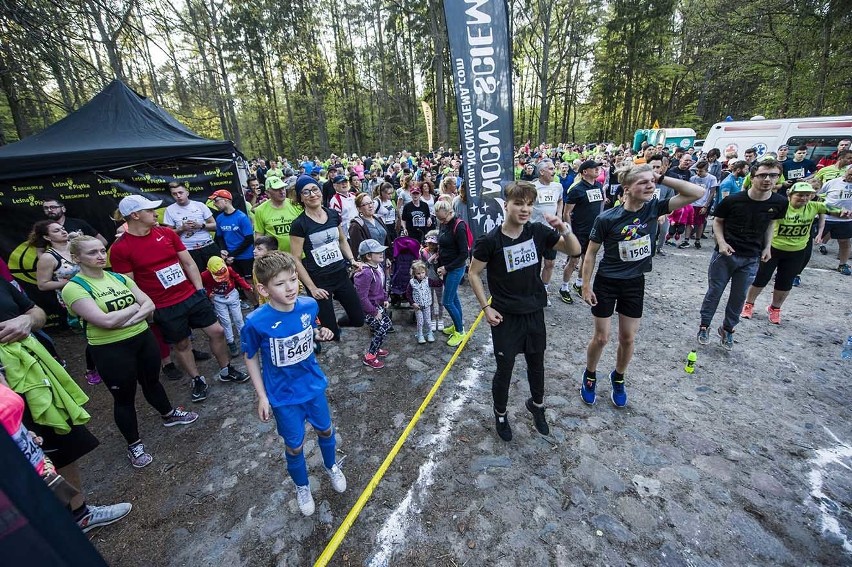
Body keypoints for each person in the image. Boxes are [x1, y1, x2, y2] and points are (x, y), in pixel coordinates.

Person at [0, 278, 132, 532]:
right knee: (16, 466)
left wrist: (26, 320)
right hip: (6, 394)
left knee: (61, 442)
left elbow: (36, 312)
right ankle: (48, 530)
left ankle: (80, 513)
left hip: (36, 376)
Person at [62, 236, 199, 468]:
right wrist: (135, 310)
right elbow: (104, 321)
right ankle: (134, 443)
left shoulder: (117, 277)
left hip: (142, 339)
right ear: (76, 258)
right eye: (92, 253)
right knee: (123, 398)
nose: (100, 256)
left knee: (152, 381)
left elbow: (149, 304)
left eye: (102, 250)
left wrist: (126, 316)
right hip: (110, 349)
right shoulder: (74, 288)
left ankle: (168, 414)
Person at [580, 165, 703, 407]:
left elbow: (697, 192)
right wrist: (585, 285)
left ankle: (618, 377)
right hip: (607, 281)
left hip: (634, 282)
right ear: (627, 189)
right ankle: (590, 375)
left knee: (627, 338)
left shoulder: (654, 208)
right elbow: (591, 253)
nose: (650, 186)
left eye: (652, 182)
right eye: (643, 183)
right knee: (602, 338)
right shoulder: (606, 218)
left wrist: (661, 177)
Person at [468, 181, 582, 441]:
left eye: (529, 204)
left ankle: (537, 406)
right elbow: (474, 273)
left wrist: (564, 229)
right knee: (505, 367)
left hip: (534, 312)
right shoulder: (490, 240)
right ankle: (500, 413)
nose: (525, 209)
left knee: (536, 363)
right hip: (505, 316)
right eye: (518, 203)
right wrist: (486, 307)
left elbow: (574, 250)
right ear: (505, 205)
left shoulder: (538, 232)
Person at [109, 195, 249, 404]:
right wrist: (148, 308)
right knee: (182, 344)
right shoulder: (121, 248)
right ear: (135, 215)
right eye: (150, 211)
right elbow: (129, 285)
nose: (156, 213)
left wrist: (200, 289)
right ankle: (197, 379)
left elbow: (189, 263)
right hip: (163, 304)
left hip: (190, 294)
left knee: (217, 331)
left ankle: (226, 369)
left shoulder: (166, 233)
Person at [242, 251, 346, 517]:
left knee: (325, 430)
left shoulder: (309, 305)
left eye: (293, 279)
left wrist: (320, 333)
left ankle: (331, 465)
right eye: (280, 283)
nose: (290, 288)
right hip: (283, 396)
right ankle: (302, 486)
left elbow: (310, 330)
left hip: (312, 386)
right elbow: (250, 356)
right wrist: (262, 396)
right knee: (295, 445)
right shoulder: (255, 322)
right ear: (263, 289)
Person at [697, 158, 788, 350]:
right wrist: (721, 243)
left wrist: (767, 246)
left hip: (751, 257)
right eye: (763, 175)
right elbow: (718, 221)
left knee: (739, 297)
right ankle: (704, 325)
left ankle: (728, 329)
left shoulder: (779, 202)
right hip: (725, 255)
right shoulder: (734, 200)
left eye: (773, 176)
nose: (768, 180)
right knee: (715, 292)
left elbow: (771, 223)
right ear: (752, 177)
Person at [741, 182, 850, 323]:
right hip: (773, 249)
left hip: (797, 251)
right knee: (760, 278)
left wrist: (842, 211)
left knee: (785, 283)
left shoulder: (814, 206)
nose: (804, 198)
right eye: (800, 195)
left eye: (807, 195)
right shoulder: (781, 207)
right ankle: (749, 304)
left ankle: (775, 308)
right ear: (790, 195)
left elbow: (830, 208)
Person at [288, 175, 365, 340]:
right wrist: (312, 288)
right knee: (332, 335)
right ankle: (320, 330)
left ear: (321, 191)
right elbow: (295, 258)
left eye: (314, 189)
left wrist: (352, 260)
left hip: (341, 275)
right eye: (306, 192)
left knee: (359, 319)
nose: (312, 194)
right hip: (319, 282)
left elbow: (342, 240)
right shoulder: (299, 224)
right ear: (301, 197)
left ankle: (335, 322)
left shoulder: (332, 214)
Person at [31, 221, 101, 385]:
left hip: (97, 293)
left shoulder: (77, 246)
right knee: (92, 334)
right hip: (73, 302)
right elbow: (42, 285)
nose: (63, 231)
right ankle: (91, 369)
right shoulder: (49, 257)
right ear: (47, 237)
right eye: (56, 231)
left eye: (62, 228)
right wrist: (72, 282)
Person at [560, 159, 605, 303]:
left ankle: (579, 284)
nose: (598, 170)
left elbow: (601, 205)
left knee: (587, 260)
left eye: (599, 168)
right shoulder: (576, 189)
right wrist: (569, 231)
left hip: (594, 230)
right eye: (594, 168)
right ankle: (564, 287)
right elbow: (566, 212)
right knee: (574, 261)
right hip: (579, 231)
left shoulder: (598, 185)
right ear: (585, 172)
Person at [434, 199, 470, 347]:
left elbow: (464, 254)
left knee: (447, 301)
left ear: (450, 212)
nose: (441, 221)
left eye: (443, 218)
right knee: (454, 298)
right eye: (439, 218)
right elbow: (443, 243)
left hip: (455, 268)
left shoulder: (459, 226)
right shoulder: (444, 223)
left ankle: (460, 332)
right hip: (446, 266)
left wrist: (446, 268)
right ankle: (457, 325)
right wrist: (437, 254)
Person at [202, 256, 253, 356]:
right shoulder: (205, 275)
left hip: (232, 295)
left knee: (238, 318)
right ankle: (231, 342)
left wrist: (247, 287)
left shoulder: (229, 269)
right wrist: (209, 293)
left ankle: (245, 339)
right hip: (218, 298)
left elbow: (238, 278)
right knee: (226, 321)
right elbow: (203, 286)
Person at [162, 182, 219, 272]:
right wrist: (181, 228)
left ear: (187, 193)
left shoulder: (200, 205)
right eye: (174, 194)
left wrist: (201, 225)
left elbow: (215, 226)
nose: (178, 196)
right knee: (199, 277)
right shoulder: (170, 210)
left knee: (219, 274)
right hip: (188, 250)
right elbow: (168, 234)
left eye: (180, 192)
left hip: (208, 246)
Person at [353, 239, 392, 368]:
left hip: (376, 304)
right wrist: (374, 312)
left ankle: (376, 347)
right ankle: (370, 356)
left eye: (382, 250)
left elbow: (380, 287)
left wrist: (385, 298)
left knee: (379, 328)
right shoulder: (365, 273)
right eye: (378, 252)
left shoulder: (377, 267)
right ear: (368, 256)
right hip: (368, 309)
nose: (382, 253)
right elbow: (361, 297)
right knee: (384, 326)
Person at [532, 161, 564, 305]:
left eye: (553, 168)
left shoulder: (558, 186)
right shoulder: (532, 187)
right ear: (541, 172)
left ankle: (544, 290)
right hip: (535, 231)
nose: (554, 171)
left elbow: (560, 200)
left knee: (550, 262)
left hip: (551, 231)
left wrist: (559, 215)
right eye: (550, 169)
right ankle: (532, 290)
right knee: (534, 264)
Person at [253, 176, 303, 254]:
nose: (282, 191)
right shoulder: (260, 210)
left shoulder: (295, 205)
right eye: (276, 189)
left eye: (283, 188)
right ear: (267, 193)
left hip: (300, 255)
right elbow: (259, 236)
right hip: (277, 259)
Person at [817, 167, 852, 275]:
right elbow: (818, 193)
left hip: (846, 220)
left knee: (844, 242)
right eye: (850, 174)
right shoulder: (833, 183)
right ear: (846, 172)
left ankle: (843, 264)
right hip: (827, 217)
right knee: (808, 241)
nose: (850, 177)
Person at [41, 198, 108, 246]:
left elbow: (103, 242)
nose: (49, 210)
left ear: (63, 209)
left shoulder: (79, 223)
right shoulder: (42, 227)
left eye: (53, 207)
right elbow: (40, 250)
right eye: (46, 208)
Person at [684, 161, 718, 248]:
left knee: (700, 223)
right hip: (692, 203)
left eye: (701, 171)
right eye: (697, 171)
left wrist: (706, 205)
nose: (698, 173)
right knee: (689, 222)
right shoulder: (693, 178)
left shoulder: (712, 178)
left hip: (702, 203)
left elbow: (712, 193)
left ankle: (697, 240)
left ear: (706, 170)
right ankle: (686, 240)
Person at [407, 260, 434, 344]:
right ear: (414, 274)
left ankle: (430, 333)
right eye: (418, 273)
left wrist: (441, 277)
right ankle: (420, 334)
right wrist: (413, 303)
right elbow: (408, 294)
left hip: (427, 305)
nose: (421, 275)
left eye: (423, 272)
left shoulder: (427, 280)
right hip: (417, 306)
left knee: (428, 321)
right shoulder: (412, 283)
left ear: (425, 272)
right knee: (420, 321)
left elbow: (438, 284)